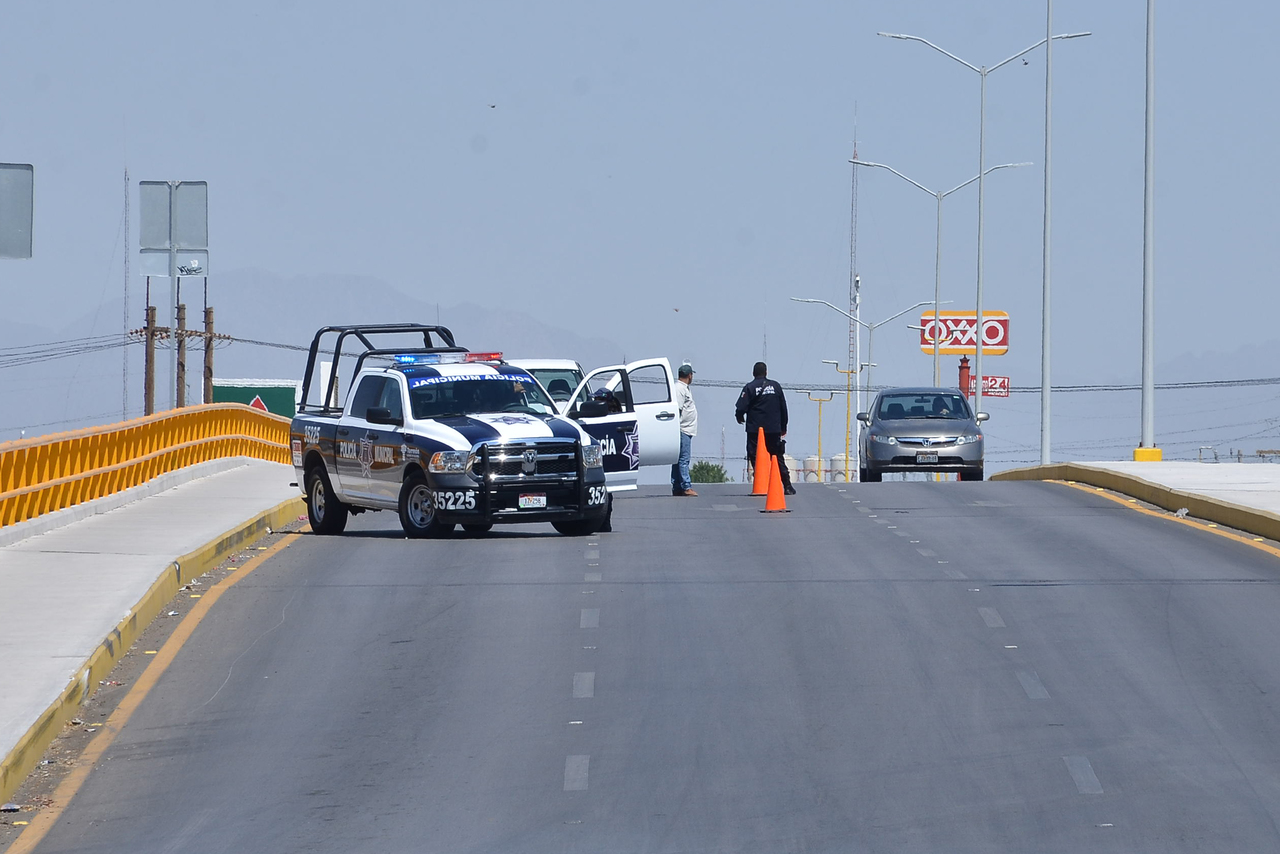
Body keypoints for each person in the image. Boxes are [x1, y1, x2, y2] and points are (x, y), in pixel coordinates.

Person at [735, 361, 795, 495]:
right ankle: (787, 485)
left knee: (755, 456)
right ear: (766, 372)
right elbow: (783, 407)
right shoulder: (775, 386)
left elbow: (741, 407)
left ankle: (762, 483)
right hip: (773, 428)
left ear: (753, 373)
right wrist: (783, 426)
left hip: (755, 429)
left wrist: (739, 417)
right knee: (777, 456)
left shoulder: (749, 387)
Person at [671, 363, 698, 496]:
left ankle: (677, 486)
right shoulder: (679, 389)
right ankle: (686, 486)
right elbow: (678, 409)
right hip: (683, 429)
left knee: (678, 459)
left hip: (686, 429)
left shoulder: (683, 388)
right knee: (683, 459)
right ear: (689, 375)